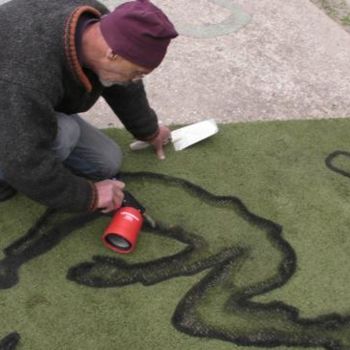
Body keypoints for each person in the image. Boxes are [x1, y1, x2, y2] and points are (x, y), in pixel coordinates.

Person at [0, 0, 178, 212]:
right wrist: (88, 197)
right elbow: (24, 159)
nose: (135, 79)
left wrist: (149, 130)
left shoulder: (100, 23)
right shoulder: (25, 76)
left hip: (22, 98)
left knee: (106, 162)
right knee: (64, 133)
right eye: (137, 72)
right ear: (112, 54)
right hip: (10, 99)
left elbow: (124, 85)